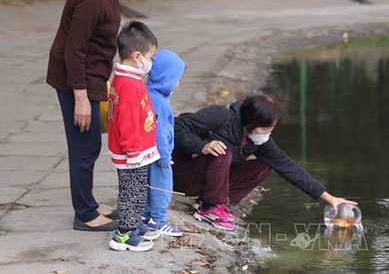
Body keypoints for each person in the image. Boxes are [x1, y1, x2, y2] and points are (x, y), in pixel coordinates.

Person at [46, 0, 152, 231]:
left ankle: (88, 204)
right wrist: (80, 97)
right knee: (84, 147)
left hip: (91, 74)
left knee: (89, 144)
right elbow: (74, 49)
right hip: (76, 79)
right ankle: (84, 214)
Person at [172, 94, 358, 231]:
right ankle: (210, 208)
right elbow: (176, 126)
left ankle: (214, 203)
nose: (268, 133)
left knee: (263, 166)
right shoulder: (221, 116)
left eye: (272, 128)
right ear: (250, 122)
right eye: (265, 128)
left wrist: (328, 197)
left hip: (207, 181)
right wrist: (201, 146)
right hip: (182, 174)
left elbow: (287, 167)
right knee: (222, 152)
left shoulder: (259, 141)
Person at [107, 21, 160, 252]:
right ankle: (124, 235)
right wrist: (133, 151)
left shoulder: (126, 80)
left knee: (134, 190)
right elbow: (126, 121)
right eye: (150, 56)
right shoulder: (129, 85)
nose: (151, 61)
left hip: (134, 150)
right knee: (133, 192)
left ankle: (132, 225)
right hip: (132, 152)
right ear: (138, 56)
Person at [142, 50, 186, 237]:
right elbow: (159, 131)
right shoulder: (158, 101)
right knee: (162, 187)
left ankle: (146, 216)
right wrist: (165, 156)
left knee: (149, 185)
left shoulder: (152, 94)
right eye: (177, 78)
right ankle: (158, 219)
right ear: (166, 77)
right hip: (160, 155)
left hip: (150, 153)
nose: (179, 82)